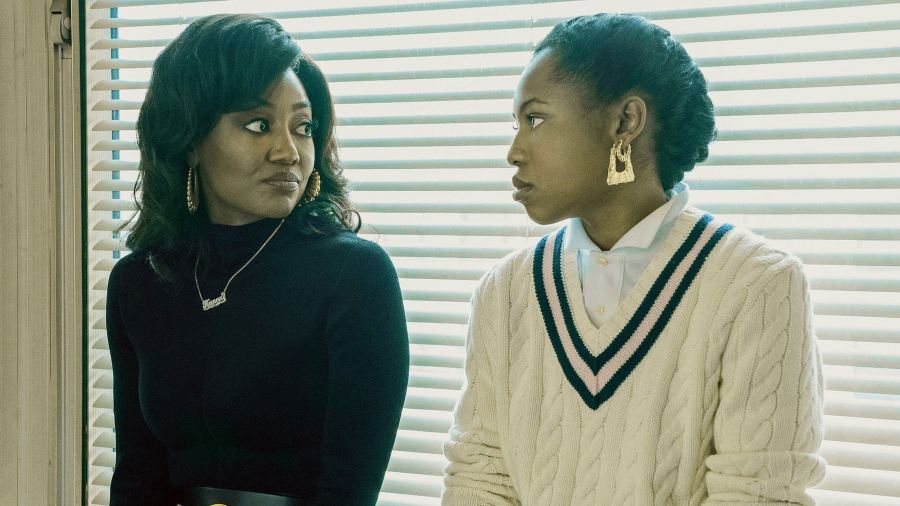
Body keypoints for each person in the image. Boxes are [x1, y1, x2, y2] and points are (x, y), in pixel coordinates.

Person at [442, 13, 826, 505]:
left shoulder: (757, 283)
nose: (514, 152)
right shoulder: (505, 291)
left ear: (625, 121)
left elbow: (760, 493)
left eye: (535, 119)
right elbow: (480, 478)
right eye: (516, 125)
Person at [106, 14, 409, 506]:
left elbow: (348, 493)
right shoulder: (139, 281)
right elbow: (136, 477)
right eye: (258, 124)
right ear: (189, 140)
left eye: (303, 127)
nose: (288, 152)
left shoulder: (354, 276)